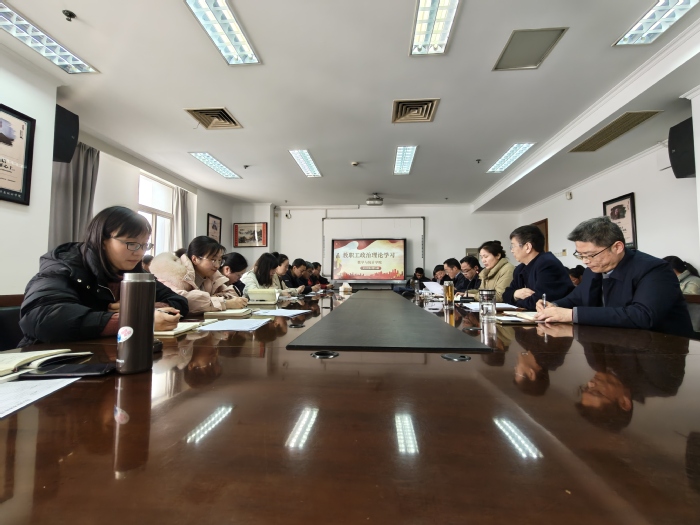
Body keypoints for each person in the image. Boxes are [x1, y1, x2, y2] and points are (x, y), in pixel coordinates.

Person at [19, 206, 187, 346]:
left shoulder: (134, 272)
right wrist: (134, 319)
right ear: (102, 240)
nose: (139, 252)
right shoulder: (64, 266)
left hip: (105, 355)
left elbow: (178, 301)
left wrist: (140, 307)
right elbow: (42, 318)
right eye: (131, 243)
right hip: (49, 361)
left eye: (144, 245)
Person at [535, 217, 693, 337]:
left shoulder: (654, 270)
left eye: (590, 255)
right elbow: (577, 297)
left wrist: (571, 315)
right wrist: (553, 306)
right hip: (612, 341)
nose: (585, 261)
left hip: (660, 350)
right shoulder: (592, 270)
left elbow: (643, 315)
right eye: (580, 255)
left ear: (617, 247)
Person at [150, 236, 247, 313]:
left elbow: (231, 292)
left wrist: (213, 299)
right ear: (195, 259)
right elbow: (186, 300)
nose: (217, 265)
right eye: (213, 260)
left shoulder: (212, 274)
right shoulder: (174, 273)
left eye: (220, 260)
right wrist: (226, 303)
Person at [502, 225, 574, 310]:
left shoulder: (547, 264)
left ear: (527, 247)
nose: (511, 250)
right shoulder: (520, 268)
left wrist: (516, 302)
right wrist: (515, 294)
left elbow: (539, 302)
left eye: (513, 246)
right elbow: (505, 295)